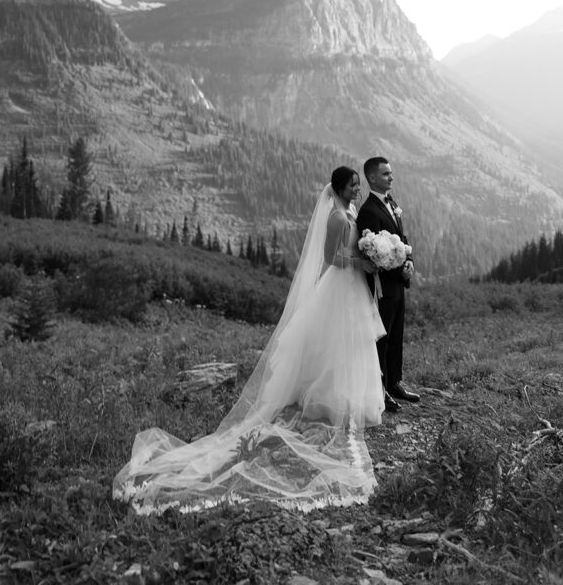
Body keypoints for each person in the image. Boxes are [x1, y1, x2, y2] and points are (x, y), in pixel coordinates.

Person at [113, 167, 385, 513]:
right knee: (336, 343)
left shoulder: (350, 212)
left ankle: (349, 397)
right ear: (339, 187)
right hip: (340, 283)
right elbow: (332, 258)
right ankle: (329, 397)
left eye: (359, 186)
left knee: (351, 345)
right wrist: (363, 259)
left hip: (352, 287)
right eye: (353, 185)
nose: (358, 190)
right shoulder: (335, 217)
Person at [356, 156, 419, 414]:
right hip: (382, 286)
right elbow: (371, 254)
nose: (391, 177)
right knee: (381, 338)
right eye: (385, 174)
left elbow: (401, 240)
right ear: (372, 177)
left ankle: (395, 382)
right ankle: (379, 389)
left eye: (390, 173)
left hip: (397, 282)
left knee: (396, 335)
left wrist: (409, 262)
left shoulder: (391, 203)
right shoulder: (369, 211)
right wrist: (394, 265)